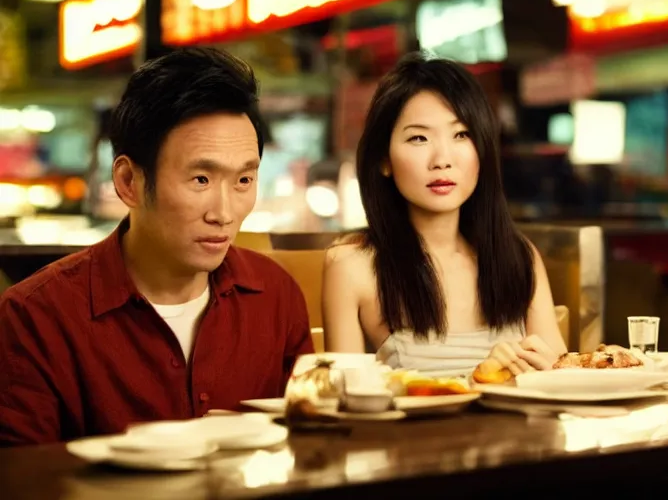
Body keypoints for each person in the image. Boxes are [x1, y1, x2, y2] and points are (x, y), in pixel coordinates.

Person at [0, 47, 314, 446]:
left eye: (243, 181)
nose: (224, 212)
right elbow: (22, 481)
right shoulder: (37, 317)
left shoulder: (275, 295)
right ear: (129, 181)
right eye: (201, 179)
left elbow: (307, 449)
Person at [322, 53, 567, 377]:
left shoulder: (518, 258)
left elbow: (564, 379)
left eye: (461, 135)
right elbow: (345, 404)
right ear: (384, 159)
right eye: (419, 138)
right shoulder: (353, 267)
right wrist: (483, 377)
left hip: (523, 428)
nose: (442, 159)